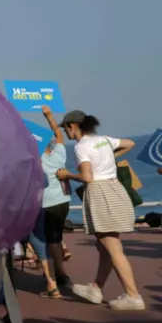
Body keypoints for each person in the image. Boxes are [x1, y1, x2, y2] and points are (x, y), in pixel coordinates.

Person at [56, 112, 144, 310]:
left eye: (65, 128)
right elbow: (129, 143)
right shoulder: (103, 140)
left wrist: (67, 174)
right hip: (115, 190)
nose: (65, 131)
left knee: (112, 247)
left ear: (72, 126)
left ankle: (133, 295)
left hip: (100, 193)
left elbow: (87, 177)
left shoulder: (81, 146)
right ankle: (96, 287)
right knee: (104, 245)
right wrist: (108, 158)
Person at [27, 106, 72, 298]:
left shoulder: (38, 159)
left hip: (48, 203)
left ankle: (60, 275)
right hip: (65, 201)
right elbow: (58, 133)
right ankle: (59, 269)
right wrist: (49, 116)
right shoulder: (60, 152)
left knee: (49, 242)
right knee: (57, 237)